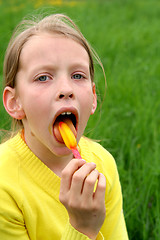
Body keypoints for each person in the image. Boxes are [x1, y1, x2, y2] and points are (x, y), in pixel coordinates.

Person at [0, 13, 129, 240]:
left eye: (78, 75)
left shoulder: (103, 165)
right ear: (15, 102)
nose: (66, 88)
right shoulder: (4, 184)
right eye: (43, 78)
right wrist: (82, 227)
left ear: (93, 97)